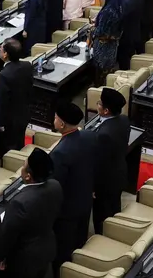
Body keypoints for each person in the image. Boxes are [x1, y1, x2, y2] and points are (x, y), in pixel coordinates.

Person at [0, 148, 61, 278]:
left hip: (24, 260)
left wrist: (0, 258)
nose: (21, 168)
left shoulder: (20, 203)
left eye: (23, 166)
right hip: (47, 248)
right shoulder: (56, 186)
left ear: (28, 176)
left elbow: (8, 235)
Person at [50, 102, 96, 272]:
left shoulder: (60, 153)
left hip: (67, 210)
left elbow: (56, 184)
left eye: (55, 117)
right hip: (84, 201)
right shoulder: (88, 137)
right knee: (80, 241)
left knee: (63, 251)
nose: (53, 120)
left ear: (62, 124)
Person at [91, 88, 131, 234]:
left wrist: (94, 187)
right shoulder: (124, 120)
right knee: (114, 209)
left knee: (102, 217)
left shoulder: (104, 135)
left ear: (106, 110)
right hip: (119, 173)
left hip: (105, 183)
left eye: (99, 103)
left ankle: (102, 240)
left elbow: (100, 164)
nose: (98, 105)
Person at [0, 39, 33, 151]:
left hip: (11, 120)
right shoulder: (27, 66)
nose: (0, 49)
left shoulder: (4, 75)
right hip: (25, 113)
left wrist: (0, 123)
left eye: (1, 48)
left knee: (11, 146)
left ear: (6, 54)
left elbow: (3, 101)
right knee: (20, 140)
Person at [90, 0, 123, 83]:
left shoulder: (108, 11)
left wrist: (91, 29)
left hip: (103, 46)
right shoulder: (118, 6)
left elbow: (101, 31)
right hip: (112, 45)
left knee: (101, 71)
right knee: (108, 69)